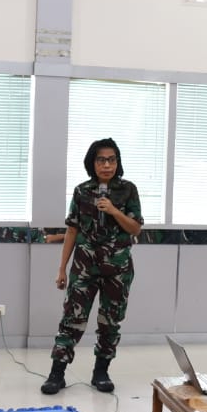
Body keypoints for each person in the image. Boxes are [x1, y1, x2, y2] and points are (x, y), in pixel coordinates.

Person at [41, 139, 143, 395]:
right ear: (92, 163)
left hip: (117, 269)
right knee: (71, 320)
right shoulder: (81, 191)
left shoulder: (128, 190)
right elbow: (72, 230)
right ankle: (57, 373)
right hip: (84, 267)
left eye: (111, 160)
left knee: (110, 322)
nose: (107, 165)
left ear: (117, 162)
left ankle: (101, 372)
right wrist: (62, 268)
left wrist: (114, 211)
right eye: (101, 160)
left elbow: (135, 228)